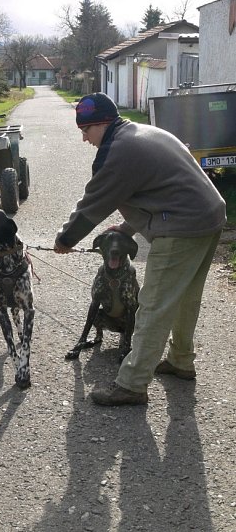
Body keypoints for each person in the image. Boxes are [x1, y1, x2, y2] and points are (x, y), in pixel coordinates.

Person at [54, 92, 226, 406]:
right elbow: (157, 189)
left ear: (103, 124)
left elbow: (92, 205)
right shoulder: (141, 133)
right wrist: (127, 227)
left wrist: (64, 240)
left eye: (86, 130)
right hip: (209, 215)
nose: (84, 138)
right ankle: (181, 361)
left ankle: (132, 384)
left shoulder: (119, 151)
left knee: (153, 304)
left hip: (182, 226)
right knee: (186, 296)